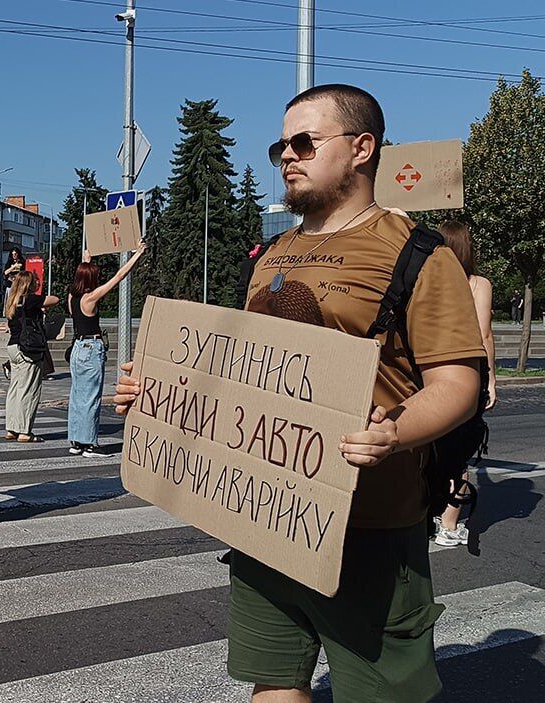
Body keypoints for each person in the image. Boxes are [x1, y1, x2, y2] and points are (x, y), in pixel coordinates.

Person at [116, 84, 485, 703]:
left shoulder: (417, 252)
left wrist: (392, 432)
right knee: (274, 682)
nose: (288, 155)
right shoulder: (270, 254)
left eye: (305, 142)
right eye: (281, 145)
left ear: (362, 148)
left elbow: (458, 384)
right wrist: (156, 390)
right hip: (266, 516)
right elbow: (243, 373)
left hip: (369, 524)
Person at [434, 221, 497, 546]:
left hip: (430, 371)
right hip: (468, 372)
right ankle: (449, 523)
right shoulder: (477, 285)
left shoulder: (429, 282)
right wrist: (492, 380)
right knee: (460, 453)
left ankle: (430, 512)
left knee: (435, 446)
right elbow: (484, 332)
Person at [67, 242, 146, 457]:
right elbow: (118, 277)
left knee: (77, 396)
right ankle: (90, 444)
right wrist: (137, 254)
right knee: (91, 397)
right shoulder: (90, 298)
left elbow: (81, 275)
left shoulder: (72, 298)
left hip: (76, 348)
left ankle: (76, 441)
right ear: (92, 280)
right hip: (91, 348)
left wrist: (86, 261)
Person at [3, 270, 59, 442]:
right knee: (29, 390)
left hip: (13, 347)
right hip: (28, 349)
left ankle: (12, 428)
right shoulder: (31, 299)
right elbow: (55, 299)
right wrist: (40, 303)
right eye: (35, 282)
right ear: (28, 284)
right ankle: (25, 431)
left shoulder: (12, 301)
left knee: (15, 389)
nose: (37, 284)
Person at [3, 247, 25, 315]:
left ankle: (17, 312)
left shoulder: (22, 262)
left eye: (15, 254)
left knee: (18, 299)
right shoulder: (9, 263)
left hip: (19, 284)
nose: (14, 256)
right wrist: (13, 267)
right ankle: (9, 312)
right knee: (10, 299)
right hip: (10, 284)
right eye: (12, 254)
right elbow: (5, 272)